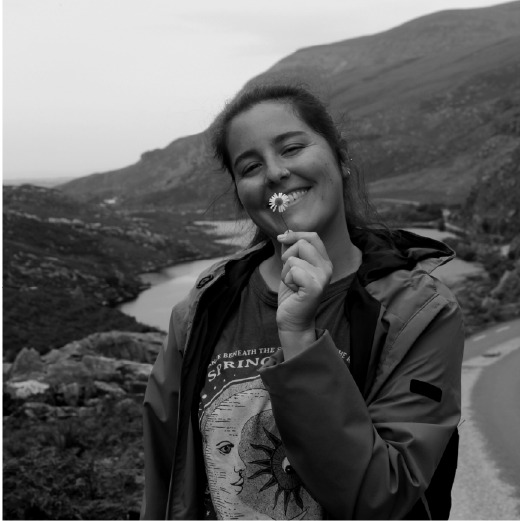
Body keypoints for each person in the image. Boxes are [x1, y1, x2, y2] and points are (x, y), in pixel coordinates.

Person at [141, 83, 464, 520]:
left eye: (292, 148)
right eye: (250, 166)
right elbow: (165, 477)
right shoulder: (202, 309)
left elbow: (380, 498)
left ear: (341, 159)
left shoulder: (418, 314)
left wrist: (299, 337)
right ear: (240, 191)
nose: (274, 173)